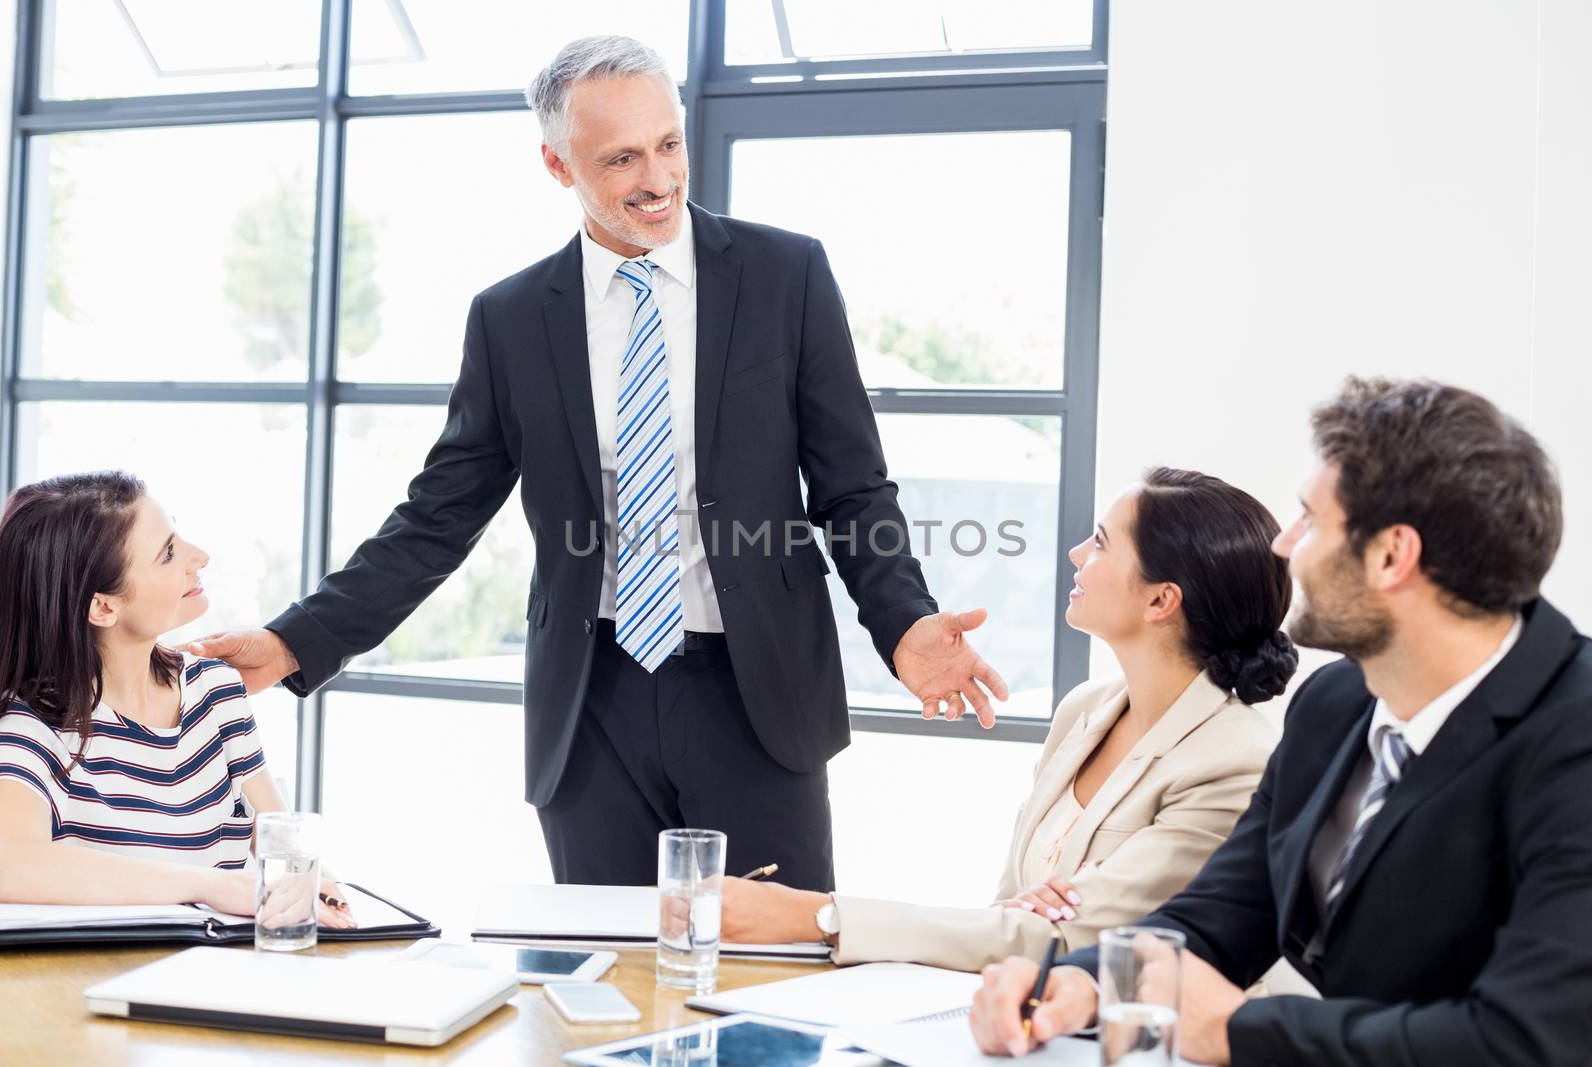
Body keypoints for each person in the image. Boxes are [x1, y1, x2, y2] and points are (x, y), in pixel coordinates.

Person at [180, 35, 1006, 891]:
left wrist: (903, 622)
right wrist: (294, 639)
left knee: (775, 975)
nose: (658, 179)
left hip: (756, 695)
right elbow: (438, 517)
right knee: (600, 975)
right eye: (621, 159)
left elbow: (852, 486)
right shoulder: (508, 320)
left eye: (668, 144)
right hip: (592, 705)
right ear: (556, 162)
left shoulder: (784, 275)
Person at [969, 377, 1592, 1066]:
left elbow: (1531, 1039)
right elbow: (1221, 916)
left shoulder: (1576, 739)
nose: (1283, 545)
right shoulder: (1334, 706)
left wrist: (1235, 1031)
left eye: (1309, 520)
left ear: (1392, 555)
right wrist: (1081, 984)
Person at [719, 468, 1295, 970]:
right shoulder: (1086, 710)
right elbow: (1012, 917)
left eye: (1099, 543)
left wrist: (818, 916)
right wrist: (1017, 927)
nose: (1077, 554)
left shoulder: (1232, 762)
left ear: (1160, 601)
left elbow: (1072, 939)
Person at [0, 472, 353, 927]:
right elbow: (9, 866)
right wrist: (212, 886)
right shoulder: (33, 727)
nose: (199, 557)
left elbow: (280, 840)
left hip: (215, 974)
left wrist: (316, 886)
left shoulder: (215, 691)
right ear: (103, 606)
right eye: (167, 553)